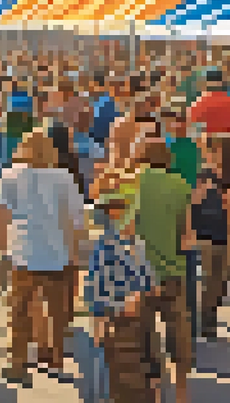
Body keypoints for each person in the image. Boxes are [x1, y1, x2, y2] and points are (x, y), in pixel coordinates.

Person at [0, 128, 85, 385]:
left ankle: (18, 363)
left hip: (22, 251)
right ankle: (56, 361)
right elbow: (75, 219)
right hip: (57, 252)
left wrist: (1, 252)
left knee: (20, 311)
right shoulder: (64, 177)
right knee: (58, 311)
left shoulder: (10, 175)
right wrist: (75, 252)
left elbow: (3, 218)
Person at [84, 172, 156, 403]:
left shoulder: (132, 243)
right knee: (119, 372)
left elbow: (148, 280)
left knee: (133, 371)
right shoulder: (106, 243)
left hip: (129, 316)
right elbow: (96, 283)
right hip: (118, 315)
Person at [133, 139, 195, 403]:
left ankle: (155, 394)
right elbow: (187, 237)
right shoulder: (181, 186)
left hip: (139, 273)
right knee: (178, 335)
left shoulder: (132, 184)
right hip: (173, 270)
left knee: (145, 337)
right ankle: (181, 393)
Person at [190, 128, 230, 340]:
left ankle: (209, 316)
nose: (212, 154)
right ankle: (204, 319)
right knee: (208, 277)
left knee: (220, 279)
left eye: (216, 150)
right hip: (204, 233)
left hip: (225, 232)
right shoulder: (203, 174)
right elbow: (193, 203)